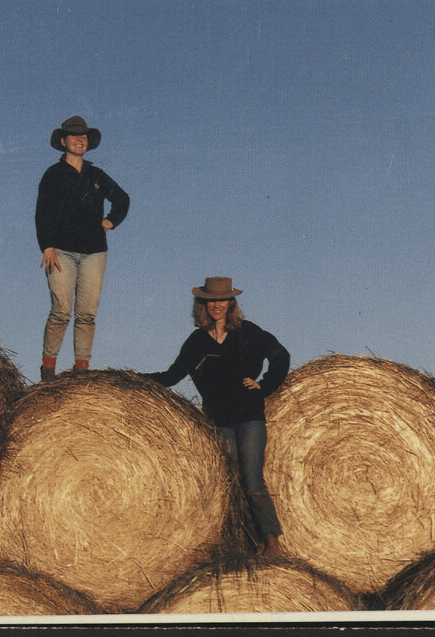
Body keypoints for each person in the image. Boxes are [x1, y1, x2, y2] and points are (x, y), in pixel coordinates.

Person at [145, 276, 290, 557]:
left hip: (248, 415)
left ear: (231, 302)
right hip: (218, 420)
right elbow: (172, 375)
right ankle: (255, 543)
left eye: (222, 300)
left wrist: (265, 385)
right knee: (233, 482)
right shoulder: (197, 342)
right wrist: (130, 379)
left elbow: (280, 355)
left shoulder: (248, 332)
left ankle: (273, 541)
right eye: (211, 300)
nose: (217, 305)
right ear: (203, 304)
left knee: (252, 480)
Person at [35, 116, 130, 381]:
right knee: (61, 309)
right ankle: (49, 369)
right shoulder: (53, 175)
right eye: (74, 136)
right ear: (64, 141)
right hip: (61, 251)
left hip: (94, 251)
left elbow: (122, 198)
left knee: (87, 313)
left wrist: (111, 221)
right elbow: (42, 213)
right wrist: (47, 247)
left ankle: (81, 371)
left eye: (84, 137)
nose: (80, 140)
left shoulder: (96, 175)